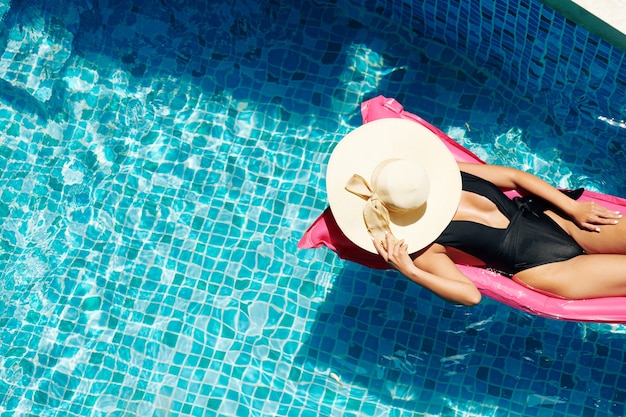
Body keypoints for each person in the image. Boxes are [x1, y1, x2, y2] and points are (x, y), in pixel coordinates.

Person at [326, 118, 626, 306]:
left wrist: (572, 207)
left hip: (550, 217)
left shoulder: (443, 172)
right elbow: (470, 295)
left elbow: (515, 178)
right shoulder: (421, 245)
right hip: (544, 269)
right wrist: (410, 270)